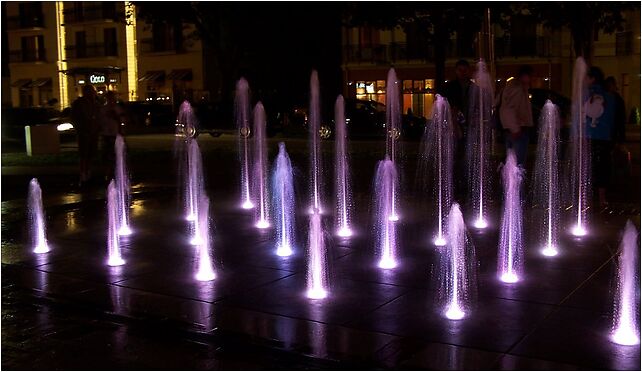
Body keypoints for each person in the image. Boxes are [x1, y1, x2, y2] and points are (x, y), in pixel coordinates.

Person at [585, 67, 615, 209]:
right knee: (603, 168)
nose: (584, 80)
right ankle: (602, 199)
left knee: (588, 168)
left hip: (589, 136)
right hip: (604, 137)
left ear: (593, 79)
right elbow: (612, 118)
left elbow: (580, 116)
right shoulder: (609, 96)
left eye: (587, 77)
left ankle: (587, 199)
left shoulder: (586, 95)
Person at [442, 59, 472, 197]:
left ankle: (465, 186)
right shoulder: (450, 87)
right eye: (460, 70)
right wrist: (455, 127)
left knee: (466, 158)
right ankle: (455, 187)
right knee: (456, 158)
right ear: (456, 71)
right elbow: (450, 109)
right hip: (454, 128)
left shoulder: (472, 87)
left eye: (464, 70)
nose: (462, 73)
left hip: (469, 126)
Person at [499, 65, 534, 167]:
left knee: (512, 163)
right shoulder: (517, 89)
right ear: (524, 76)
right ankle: (513, 181)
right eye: (530, 76)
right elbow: (508, 109)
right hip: (518, 130)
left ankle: (509, 180)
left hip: (514, 130)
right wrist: (515, 129)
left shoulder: (517, 88)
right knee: (517, 165)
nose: (532, 79)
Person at [71, 85, 99, 187]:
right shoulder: (78, 103)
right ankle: (83, 174)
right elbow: (74, 117)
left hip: (93, 133)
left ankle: (88, 173)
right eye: (91, 91)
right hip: (84, 133)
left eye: (93, 91)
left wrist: (96, 128)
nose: (93, 93)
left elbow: (98, 117)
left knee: (91, 154)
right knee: (84, 155)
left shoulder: (95, 104)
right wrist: (81, 129)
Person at [99, 91, 126, 181]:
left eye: (112, 98)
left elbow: (122, 120)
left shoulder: (118, 109)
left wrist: (121, 129)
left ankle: (116, 173)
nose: (111, 100)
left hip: (115, 134)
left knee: (116, 155)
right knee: (107, 155)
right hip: (106, 134)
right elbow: (100, 122)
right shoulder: (103, 109)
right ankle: (108, 173)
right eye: (109, 98)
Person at [605, 76, 626, 144]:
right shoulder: (617, 99)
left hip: (611, 132)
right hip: (610, 131)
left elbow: (621, 119)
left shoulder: (617, 100)